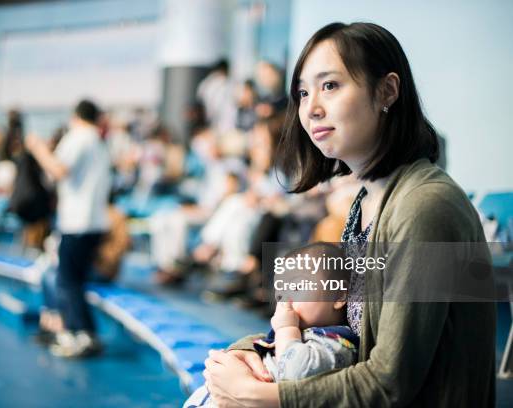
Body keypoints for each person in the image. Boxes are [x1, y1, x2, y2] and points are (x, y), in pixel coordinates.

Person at [203, 22, 495, 407]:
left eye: (330, 85)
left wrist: (255, 393)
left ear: (387, 91)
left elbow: (390, 383)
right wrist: (247, 352)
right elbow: (341, 333)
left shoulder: (425, 206)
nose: (311, 108)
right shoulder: (366, 199)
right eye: (304, 92)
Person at [184, 243, 357, 408]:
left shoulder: (336, 344)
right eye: (281, 290)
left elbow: (294, 373)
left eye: (297, 286)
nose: (285, 299)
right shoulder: (301, 331)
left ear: (338, 297)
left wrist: (286, 330)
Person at [26, 99, 111, 358]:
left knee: (67, 281)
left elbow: (58, 169)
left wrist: (38, 149)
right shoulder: (98, 142)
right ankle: (82, 332)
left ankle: (81, 334)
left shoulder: (79, 137)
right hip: (93, 222)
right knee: (73, 280)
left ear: (75, 116)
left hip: (77, 222)